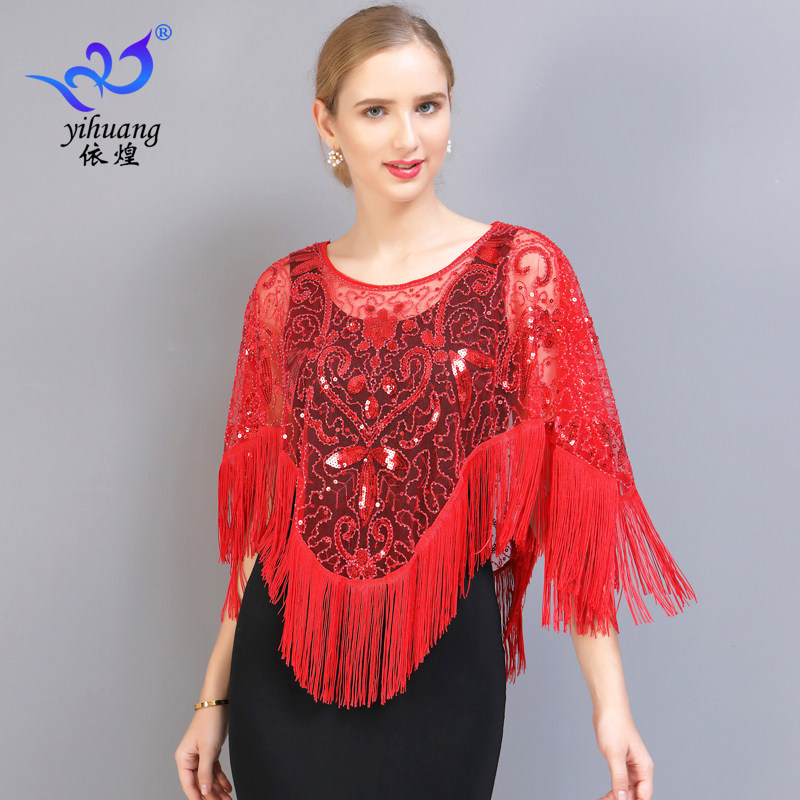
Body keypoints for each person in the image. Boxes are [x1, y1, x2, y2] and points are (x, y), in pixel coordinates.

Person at [174, 5, 696, 799]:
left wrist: (613, 709)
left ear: (452, 109)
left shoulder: (521, 273)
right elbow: (264, 526)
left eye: (427, 106)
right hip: (281, 670)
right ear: (328, 124)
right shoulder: (283, 294)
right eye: (375, 111)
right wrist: (213, 698)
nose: (407, 137)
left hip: (446, 665)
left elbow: (576, 508)